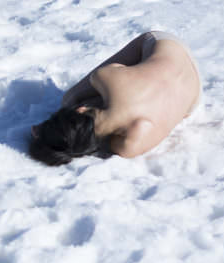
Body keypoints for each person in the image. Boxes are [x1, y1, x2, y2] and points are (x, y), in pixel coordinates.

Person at [29, 31, 200, 165]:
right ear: (80, 110)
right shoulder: (104, 77)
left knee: (78, 100)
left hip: (193, 96)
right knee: (70, 99)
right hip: (169, 46)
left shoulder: (128, 145)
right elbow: (112, 76)